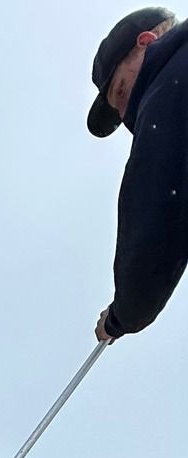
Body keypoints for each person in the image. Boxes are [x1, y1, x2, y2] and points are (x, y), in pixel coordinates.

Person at [90, 9, 188, 340]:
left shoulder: (167, 85)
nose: (125, 113)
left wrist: (122, 316)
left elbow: (155, 215)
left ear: (147, 42)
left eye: (120, 91)